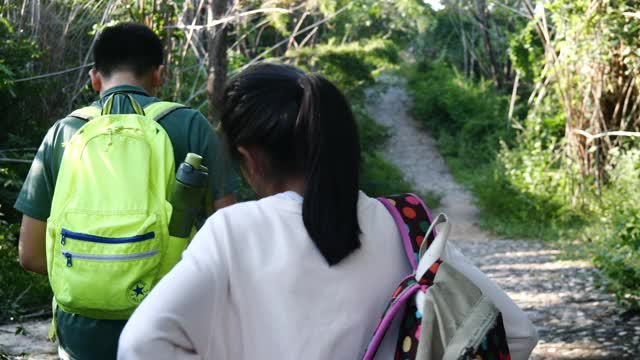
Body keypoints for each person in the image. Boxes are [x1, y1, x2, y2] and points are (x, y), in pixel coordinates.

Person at [117, 63, 538, 359]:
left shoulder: (233, 232)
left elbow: (141, 345)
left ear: (250, 159)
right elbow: (515, 333)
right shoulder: (402, 228)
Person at [14, 23, 239, 359]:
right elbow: (230, 240)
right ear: (159, 75)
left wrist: (98, 273)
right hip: (170, 325)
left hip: (80, 337)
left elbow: (29, 255)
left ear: (94, 78)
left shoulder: (63, 133)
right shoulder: (192, 127)